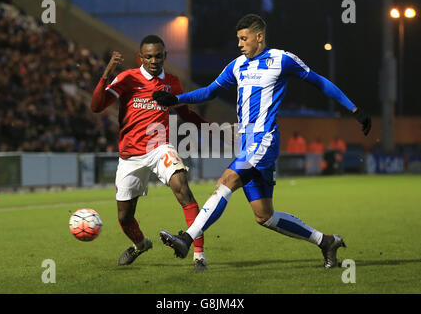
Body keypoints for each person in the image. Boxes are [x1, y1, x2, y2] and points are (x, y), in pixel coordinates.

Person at [153, 14, 371, 268]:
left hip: (264, 140)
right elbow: (209, 91)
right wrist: (175, 99)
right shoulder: (237, 65)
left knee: (226, 182)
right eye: (238, 39)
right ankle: (326, 241)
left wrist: (354, 110)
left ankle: (186, 238)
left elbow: (320, 82)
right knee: (264, 216)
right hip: (247, 143)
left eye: (244, 39)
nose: (240, 44)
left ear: (259, 37)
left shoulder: (282, 59)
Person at [91, 35, 210, 271]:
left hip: (159, 147)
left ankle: (199, 256)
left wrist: (210, 127)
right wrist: (107, 73)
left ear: (165, 56)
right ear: (140, 57)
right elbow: (96, 106)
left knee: (182, 187)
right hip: (130, 156)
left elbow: (185, 113)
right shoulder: (127, 78)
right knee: (124, 218)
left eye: (158, 56)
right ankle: (141, 244)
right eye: (148, 56)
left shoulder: (173, 83)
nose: (153, 60)